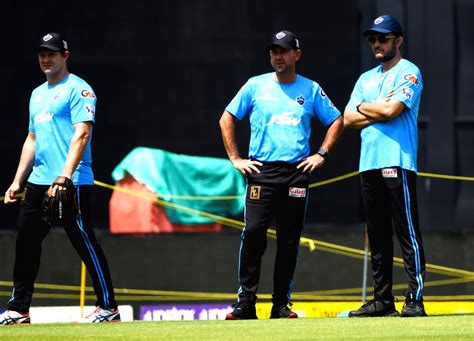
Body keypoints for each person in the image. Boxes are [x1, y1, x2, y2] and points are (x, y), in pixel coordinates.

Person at [219, 30, 343, 319]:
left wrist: (321, 154)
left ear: (296, 55)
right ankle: (246, 302)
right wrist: (236, 159)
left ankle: (280, 305)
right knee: (253, 234)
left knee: (289, 240)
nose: (278, 56)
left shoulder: (310, 89)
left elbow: (337, 119)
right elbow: (227, 117)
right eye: (274, 51)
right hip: (261, 171)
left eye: (284, 51)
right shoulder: (255, 85)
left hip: (296, 173)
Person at [1, 33, 120, 324]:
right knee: (26, 244)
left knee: (83, 241)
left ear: (65, 56)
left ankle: (108, 307)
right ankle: (19, 309)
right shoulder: (37, 94)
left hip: (72, 181)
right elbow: (31, 138)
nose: (45, 58)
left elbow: (82, 133)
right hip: (38, 181)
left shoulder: (79, 90)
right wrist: (18, 181)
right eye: (42, 53)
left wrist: (64, 176)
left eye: (52, 53)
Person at [344, 15, 427, 317]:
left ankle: (414, 299)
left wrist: (364, 106)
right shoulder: (365, 78)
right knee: (377, 234)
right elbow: (347, 119)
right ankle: (382, 300)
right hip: (369, 164)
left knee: (406, 231)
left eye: (383, 38)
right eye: (373, 39)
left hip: (397, 161)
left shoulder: (410, 72)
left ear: (398, 41)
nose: (377, 44)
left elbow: (393, 110)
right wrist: (373, 109)